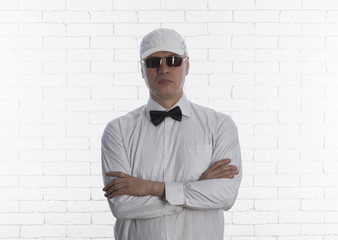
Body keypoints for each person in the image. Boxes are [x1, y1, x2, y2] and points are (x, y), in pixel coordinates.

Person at [101, 28, 242, 240]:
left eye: (173, 60)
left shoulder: (220, 125)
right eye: (153, 62)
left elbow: (225, 196)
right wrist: (196, 191)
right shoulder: (118, 131)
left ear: (187, 66)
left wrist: (149, 187)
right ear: (142, 69)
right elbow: (121, 206)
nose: (164, 69)